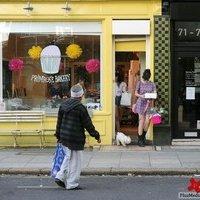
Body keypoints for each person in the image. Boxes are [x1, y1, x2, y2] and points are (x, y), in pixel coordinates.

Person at [54, 84, 101, 190]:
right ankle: (72, 184)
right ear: (81, 95)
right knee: (75, 162)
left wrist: (58, 136)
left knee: (68, 157)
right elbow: (88, 125)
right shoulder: (80, 108)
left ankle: (60, 176)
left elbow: (59, 122)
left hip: (64, 137)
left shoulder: (63, 105)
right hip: (75, 139)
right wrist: (96, 136)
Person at [134, 69, 156, 147]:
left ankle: (143, 137)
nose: (146, 79)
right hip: (141, 103)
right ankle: (140, 140)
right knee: (141, 121)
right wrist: (141, 95)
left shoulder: (152, 84)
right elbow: (136, 93)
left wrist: (152, 96)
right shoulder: (139, 83)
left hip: (150, 104)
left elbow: (155, 94)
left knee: (148, 121)